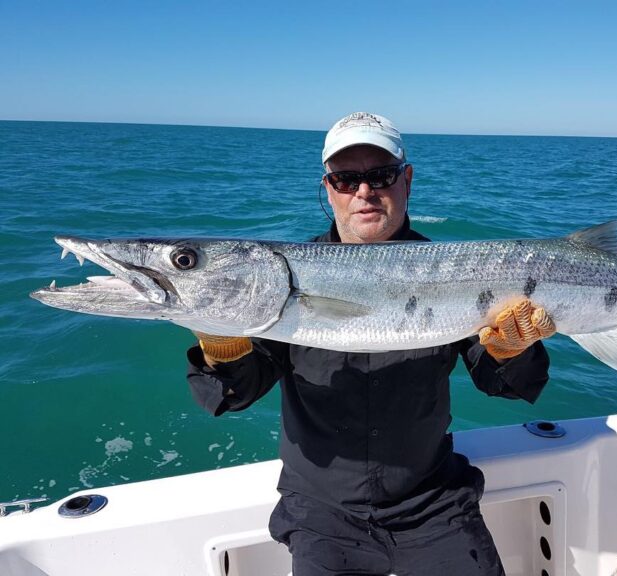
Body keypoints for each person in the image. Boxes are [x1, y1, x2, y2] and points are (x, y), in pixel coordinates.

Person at [186, 112, 555, 576]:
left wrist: (512, 349)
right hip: (321, 513)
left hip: (432, 502)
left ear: (407, 180)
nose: (364, 191)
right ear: (328, 188)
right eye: (346, 179)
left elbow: (503, 383)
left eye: (380, 175)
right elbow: (234, 393)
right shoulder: (277, 278)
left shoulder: (458, 271)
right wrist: (223, 347)